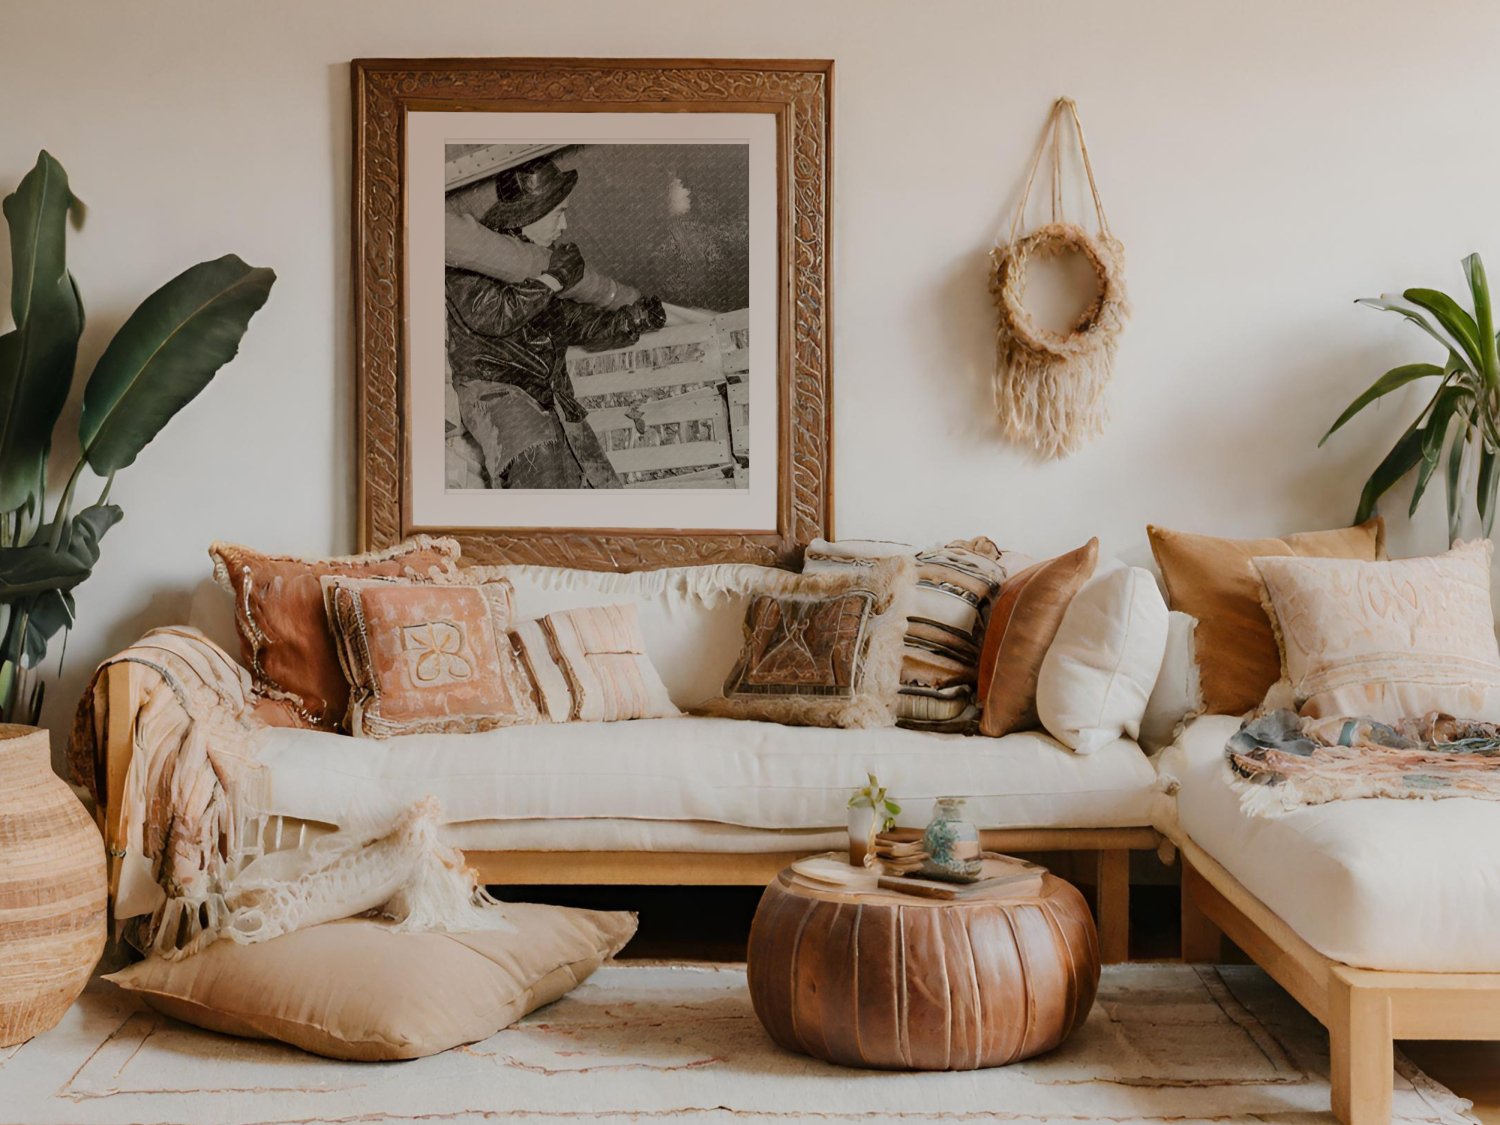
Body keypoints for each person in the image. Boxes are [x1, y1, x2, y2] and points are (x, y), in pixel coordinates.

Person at [446, 157, 667, 489]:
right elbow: (494, 315)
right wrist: (553, 279)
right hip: (500, 395)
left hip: (551, 398)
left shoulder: (536, 268)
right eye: (559, 213)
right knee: (542, 482)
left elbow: (573, 321)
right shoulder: (471, 263)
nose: (563, 226)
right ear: (529, 214)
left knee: (601, 487)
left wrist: (632, 319)